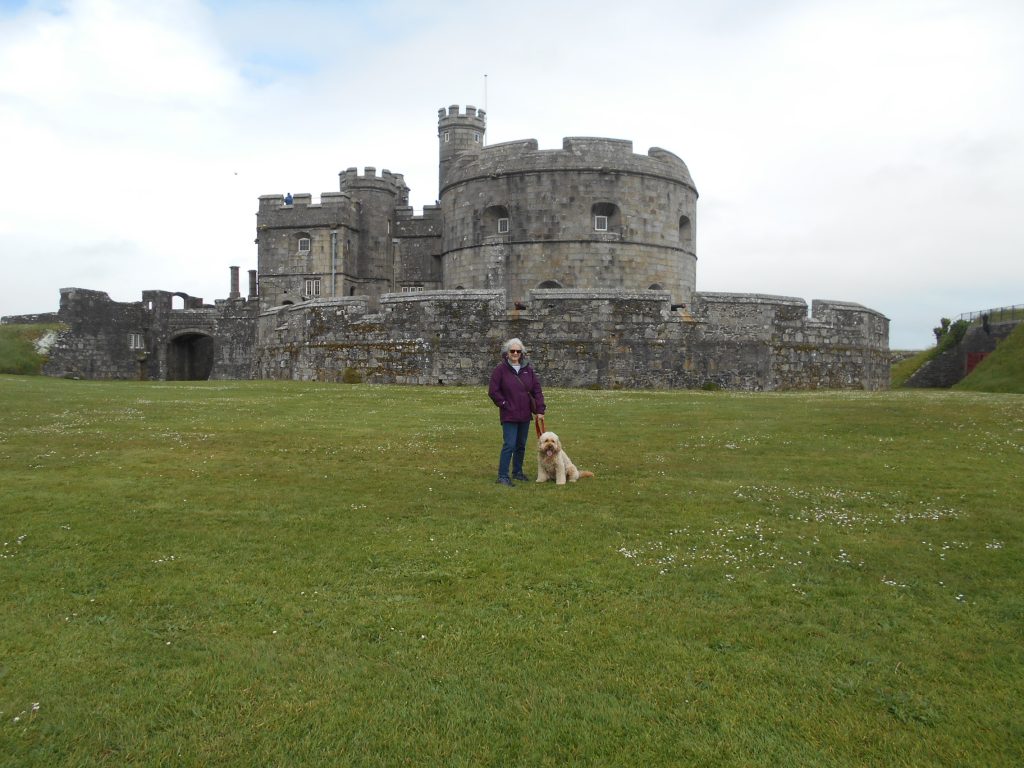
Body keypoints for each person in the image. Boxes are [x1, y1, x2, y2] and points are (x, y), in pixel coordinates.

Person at [488, 338, 545, 486]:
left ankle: (518, 472)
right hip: (509, 414)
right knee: (509, 445)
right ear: (507, 353)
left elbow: (536, 390)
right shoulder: (500, 370)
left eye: (518, 351)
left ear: (522, 353)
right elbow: (493, 391)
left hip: (525, 414)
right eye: (512, 351)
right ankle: (502, 476)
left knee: (521, 444)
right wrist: (504, 404)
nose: (515, 353)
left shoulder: (528, 370)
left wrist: (540, 410)